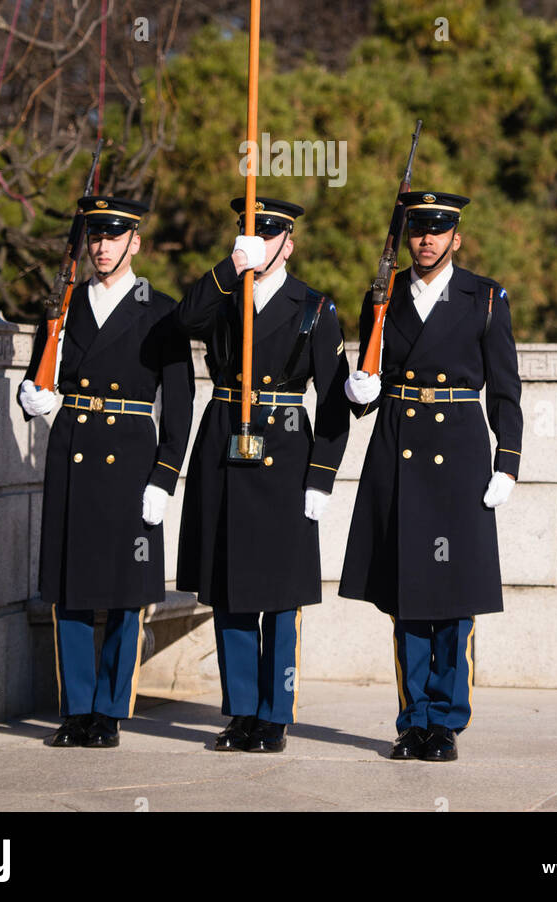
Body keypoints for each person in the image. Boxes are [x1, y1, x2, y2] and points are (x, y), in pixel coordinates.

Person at [339, 191, 522, 762]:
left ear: (455, 238)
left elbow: (507, 388)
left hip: (460, 454)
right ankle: (411, 719)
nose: (426, 239)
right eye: (418, 229)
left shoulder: (485, 297)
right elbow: (367, 377)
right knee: (406, 594)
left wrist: (508, 460)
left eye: (438, 230)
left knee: (453, 594)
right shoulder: (382, 296)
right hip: (400, 448)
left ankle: (445, 720)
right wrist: (358, 391)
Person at [174, 195, 349, 753]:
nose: (261, 244)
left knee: (278, 593)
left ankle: (273, 714)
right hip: (225, 443)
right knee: (229, 589)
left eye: (270, 235)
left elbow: (335, 401)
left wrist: (321, 475)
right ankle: (241, 711)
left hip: (284, 452)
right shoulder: (226, 295)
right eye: (252, 235)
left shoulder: (314, 307)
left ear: (288, 243)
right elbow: (182, 320)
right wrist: (230, 267)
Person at [19, 195, 194, 748]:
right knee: (69, 590)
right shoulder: (63, 306)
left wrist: (165, 476)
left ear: (134, 242)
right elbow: (38, 380)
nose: (101, 248)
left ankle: (111, 711)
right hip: (73, 448)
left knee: (123, 593)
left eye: (113, 237)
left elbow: (181, 403)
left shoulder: (161, 310)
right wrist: (34, 399)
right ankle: (76, 709)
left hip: (131, 460)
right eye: (94, 238)